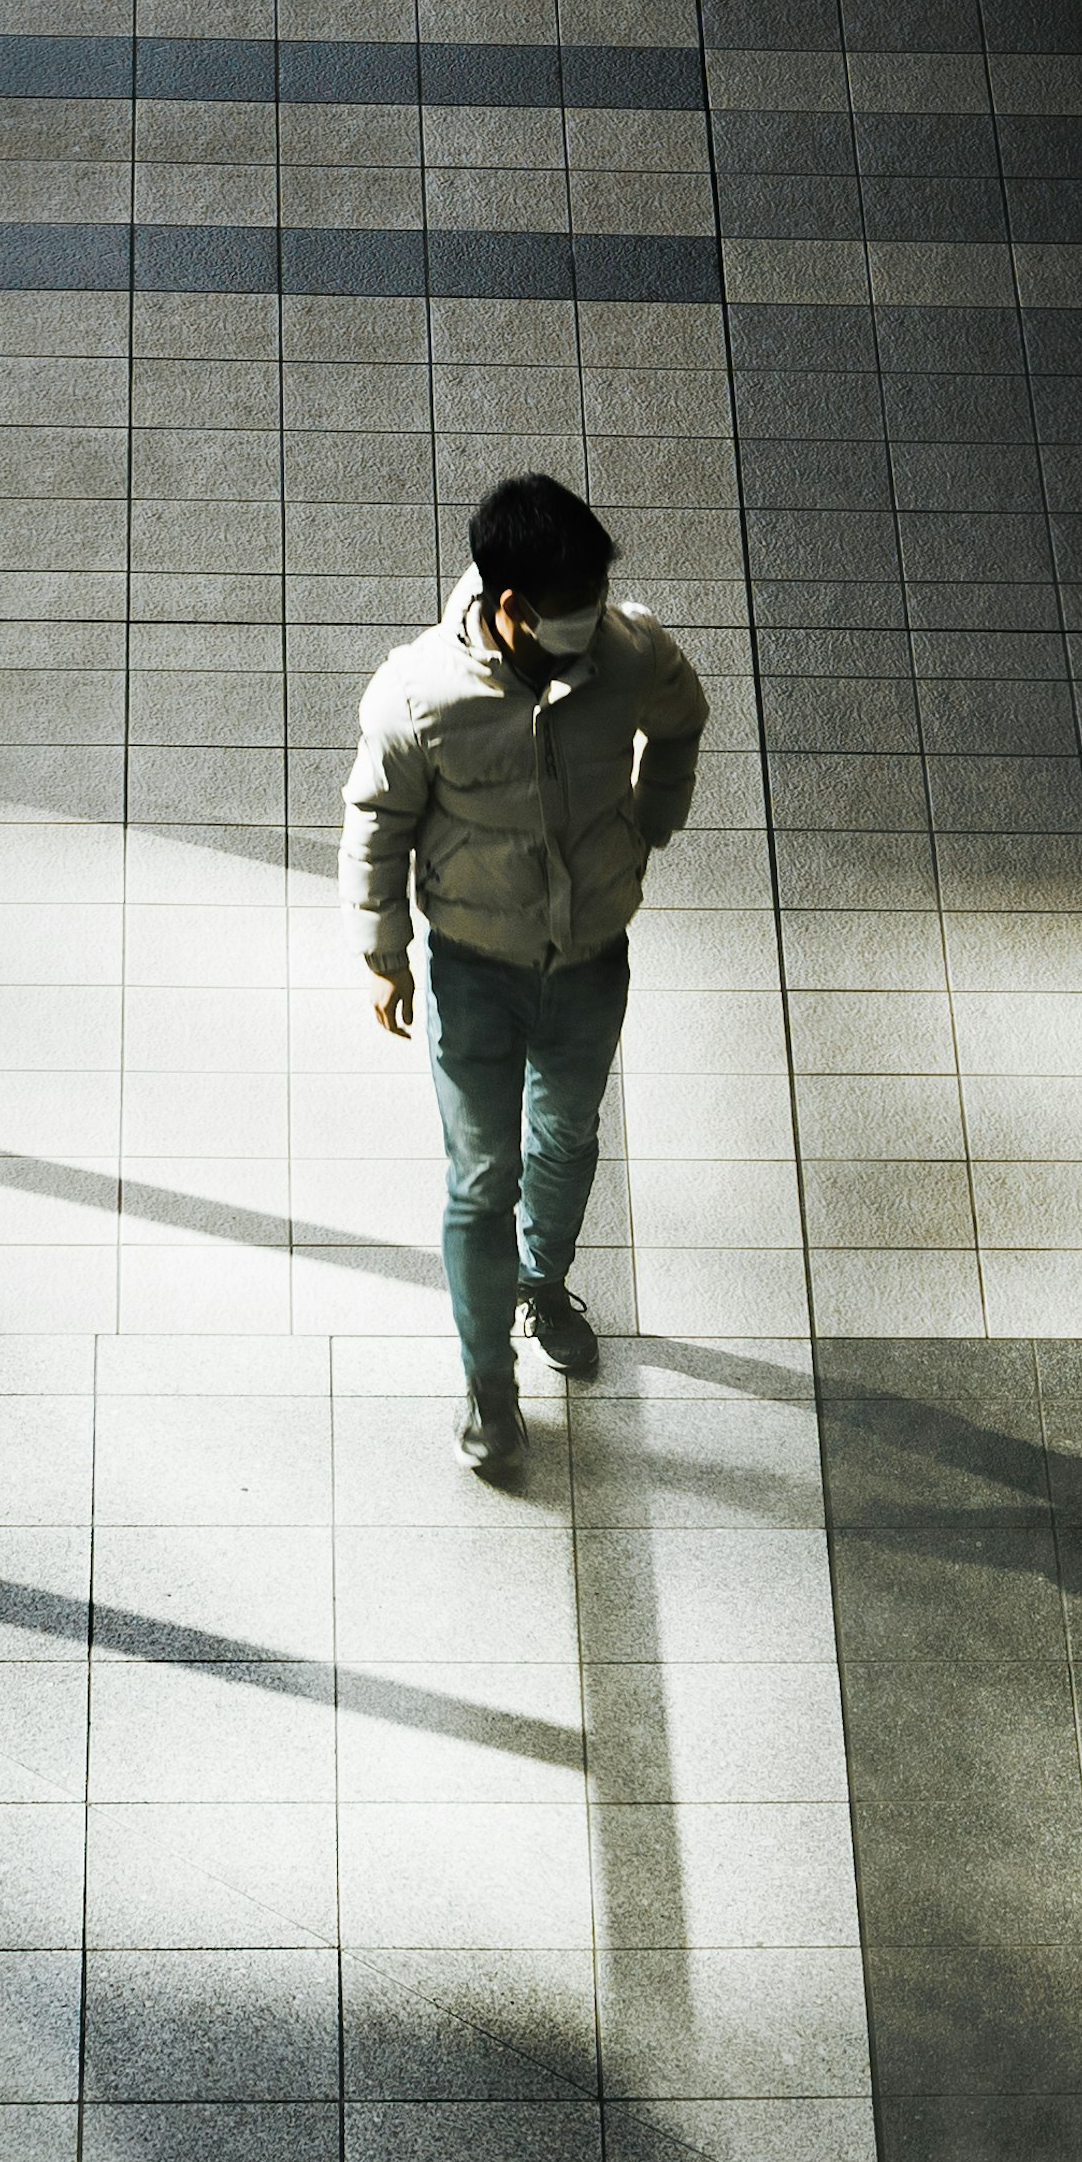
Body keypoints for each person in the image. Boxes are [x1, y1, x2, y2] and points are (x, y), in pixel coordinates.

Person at [343, 471, 707, 1476]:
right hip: (476, 969)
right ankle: (488, 1389)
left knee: (568, 1140)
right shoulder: (422, 696)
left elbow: (681, 718)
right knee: (482, 1182)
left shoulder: (626, 653)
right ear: (511, 609)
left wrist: (653, 818)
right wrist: (383, 957)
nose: (591, 627)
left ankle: (542, 1283)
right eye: (571, 613)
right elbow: (373, 829)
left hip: (590, 958)